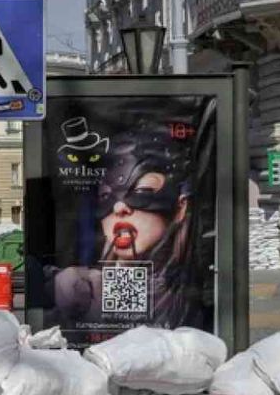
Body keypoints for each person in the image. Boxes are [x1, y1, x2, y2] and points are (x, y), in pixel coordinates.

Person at [50, 109, 212, 331]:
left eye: (142, 191)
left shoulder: (189, 289)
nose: (119, 207)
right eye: (106, 197)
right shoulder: (88, 286)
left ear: (180, 207)